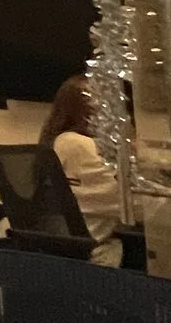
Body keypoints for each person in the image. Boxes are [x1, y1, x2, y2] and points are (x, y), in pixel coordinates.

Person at [42, 74, 124, 266]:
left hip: (60, 253)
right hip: (89, 257)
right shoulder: (78, 146)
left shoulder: (58, 140)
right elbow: (126, 200)